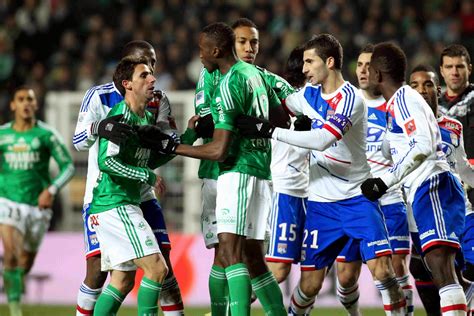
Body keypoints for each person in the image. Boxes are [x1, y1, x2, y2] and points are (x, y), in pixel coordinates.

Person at [237, 34, 406, 315]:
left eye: (309, 61)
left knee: (384, 274)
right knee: (309, 286)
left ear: (329, 62)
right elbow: (275, 109)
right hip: (319, 205)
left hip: (357, 199)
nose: (304, 69)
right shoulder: (307, 95)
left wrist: (269, 131)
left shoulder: (351, 99)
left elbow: (323, 139)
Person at [149, 22, 288, 316]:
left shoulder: (226, 83)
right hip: (262, 171)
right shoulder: (258, 75)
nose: (199, 56)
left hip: (236, 170)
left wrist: (174, 147)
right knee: (252, 255)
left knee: (229, 252)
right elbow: (281, 118)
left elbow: (218, 148)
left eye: (201, 50)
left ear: (215, 50)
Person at [73, 41, 183, 316]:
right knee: (100, 273)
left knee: (150, 271)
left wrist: (186, 138)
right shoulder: (100, 97)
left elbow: (165, 142)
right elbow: (79, 142)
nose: (152, 72)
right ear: (127, 72)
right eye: (144, 65)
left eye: (153, 64)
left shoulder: (158, 101)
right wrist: (99, 127)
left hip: (140, 193)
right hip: (108, 194)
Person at [362, 42, 467, 315]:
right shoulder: (395, 105)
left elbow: (423, 144)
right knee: (436, 270)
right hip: (423, 189)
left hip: (431, 183)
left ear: (378, 74)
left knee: (443, 271)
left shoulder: (404, 98)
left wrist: (386, 181)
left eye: (369, 69)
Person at [335, 44, 413, 316]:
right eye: (359, 65)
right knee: (345, 276)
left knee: (395, 268)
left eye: (369, 65)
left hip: (389, 198)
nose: (364, 71)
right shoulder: (346, 102)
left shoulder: (396, 105)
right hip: (352, 199)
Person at [90, 56, 170, 315]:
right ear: (128, 84)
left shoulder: (146, 117)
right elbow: (106, 162)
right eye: (144, 75)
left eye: (151, 74)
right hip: (115, 203)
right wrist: (146, 176)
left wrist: (185, 140)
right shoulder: (120, 116)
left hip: (119, 204)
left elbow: (152, 157)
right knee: (157, 269)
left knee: (122, 281)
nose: (152, 79)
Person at [0, 86, 74, 316]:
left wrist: (51, 190)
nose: (26, 103)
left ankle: (15, 280)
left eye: (30, 99)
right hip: (8, 201)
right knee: (10, 254)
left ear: (36, 104)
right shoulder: (2, 135)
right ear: (13, 105)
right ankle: (14, 310)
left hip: (38, 207)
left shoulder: (46, 135)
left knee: (26, 261)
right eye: (20, 99)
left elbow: (68, 166)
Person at [409, 64, 474, 315]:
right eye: (414, 86)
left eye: (427, 85)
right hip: (420, 211)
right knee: (431, 274)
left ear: (437, 89)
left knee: (464, 269)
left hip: (459, 208)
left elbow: (463, 169)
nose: (421, 90)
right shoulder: (400, 126)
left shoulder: (453, 126)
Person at [439, 44, 474, 262]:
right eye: (449, 67)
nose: (454, 72)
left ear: (469, 68)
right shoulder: (431, 106)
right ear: (441, 71)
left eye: (459, 66)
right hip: (444, 191)